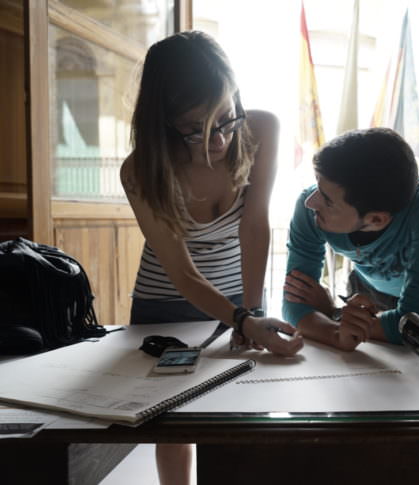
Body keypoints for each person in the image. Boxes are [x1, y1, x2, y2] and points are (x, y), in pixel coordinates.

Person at [120, 31, 303, 485]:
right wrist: (243, 318)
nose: (218, 139)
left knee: (236, 415)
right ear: (164, 123)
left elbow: (254, 224)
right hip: (164, 304)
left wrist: (252, 311)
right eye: (196, 129)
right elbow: (181, 272)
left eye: (226, 118)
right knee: (173, 425)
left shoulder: (261, 129)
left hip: (238, 297)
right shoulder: (140, 170)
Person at [282, 127, 419, 351]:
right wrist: (338, 333)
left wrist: (334, 316)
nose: (310, 202)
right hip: (364, 287)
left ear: (376, 220)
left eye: (327, 200)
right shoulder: (310, 207)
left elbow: (415, 320)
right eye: (317, 184)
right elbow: (294, 303)